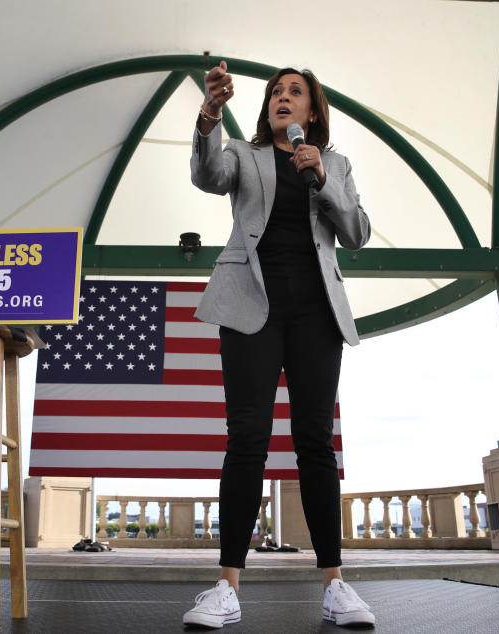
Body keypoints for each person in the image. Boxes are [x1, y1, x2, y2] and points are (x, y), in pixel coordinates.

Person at [182, 61, 375, 629]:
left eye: (295, 93)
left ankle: (336, 586)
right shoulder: (243, 153)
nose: (282, 99)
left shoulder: (334, 163)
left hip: (316, 312)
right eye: (275, 93)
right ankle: (226, 587)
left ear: (312, 110)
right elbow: (208, 174)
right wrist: (211, 113)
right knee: (247, 439)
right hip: (250, 308)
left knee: (315, 442)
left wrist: (322, 179)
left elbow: (357, 232)